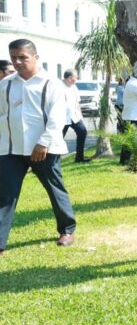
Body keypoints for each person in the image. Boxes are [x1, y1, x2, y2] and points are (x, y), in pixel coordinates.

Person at [0, 39, 78, 255]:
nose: (17, 62)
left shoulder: (50, 83)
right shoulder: (6, 84)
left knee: (55, 189)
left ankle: (67, 230)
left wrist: (43, 142)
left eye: (23, 57)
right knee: (5, 194)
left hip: (43, 149)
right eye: (14, 57)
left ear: (35, 57)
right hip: (11, 149)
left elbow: (57, 117)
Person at [61, 69, 89, 163]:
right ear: (70, 78)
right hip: (62, 118)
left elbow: (77, 103)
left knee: (82, 132)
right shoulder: (58, 87)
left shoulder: (74, 87)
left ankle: (79, 158)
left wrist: (80, 116)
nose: (77, 79)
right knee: (56, 138)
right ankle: (46, 162)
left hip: (74, 117)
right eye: (76, 77)